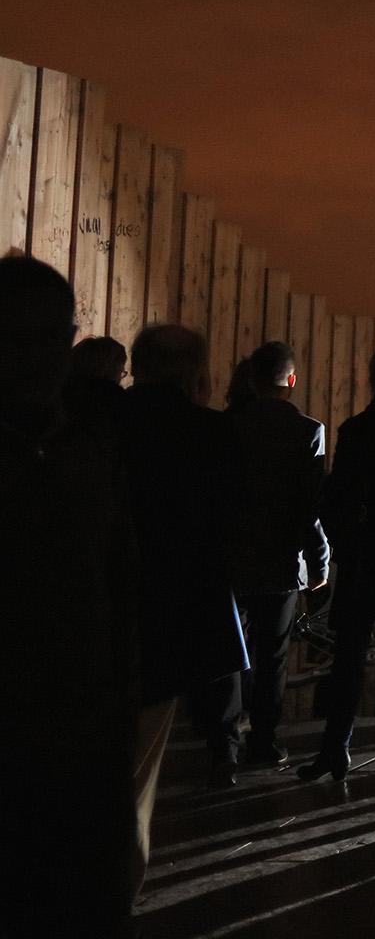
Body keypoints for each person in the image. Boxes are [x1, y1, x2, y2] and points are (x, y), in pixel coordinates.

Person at [0, 256, 137, 937]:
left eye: (49, 338)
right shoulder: (88, 448)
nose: (35, 357)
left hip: (81, 731)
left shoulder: (90, 448)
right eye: (16, 339)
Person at [118, 325, 246, 877]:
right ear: (194, 370)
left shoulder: (100, 425)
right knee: (137, 776)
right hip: (174, 619)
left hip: (96, 612)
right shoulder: (213, 435)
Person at [302, 342, 375, 782]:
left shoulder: (358, 429)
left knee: (348, 659)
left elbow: (337, 500)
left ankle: (336, 748)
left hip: (366, 556)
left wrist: (346, 545)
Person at [223, 341, 329, 773]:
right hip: (283, 560)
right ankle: (264, 742)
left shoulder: (226, 427)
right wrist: (319, 562)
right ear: (292, 380)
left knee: (231, 651)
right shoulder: (309, 430)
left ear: (251, 379)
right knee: (273, 657)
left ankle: (225, 744)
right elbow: (311, 507)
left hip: (232, 556)